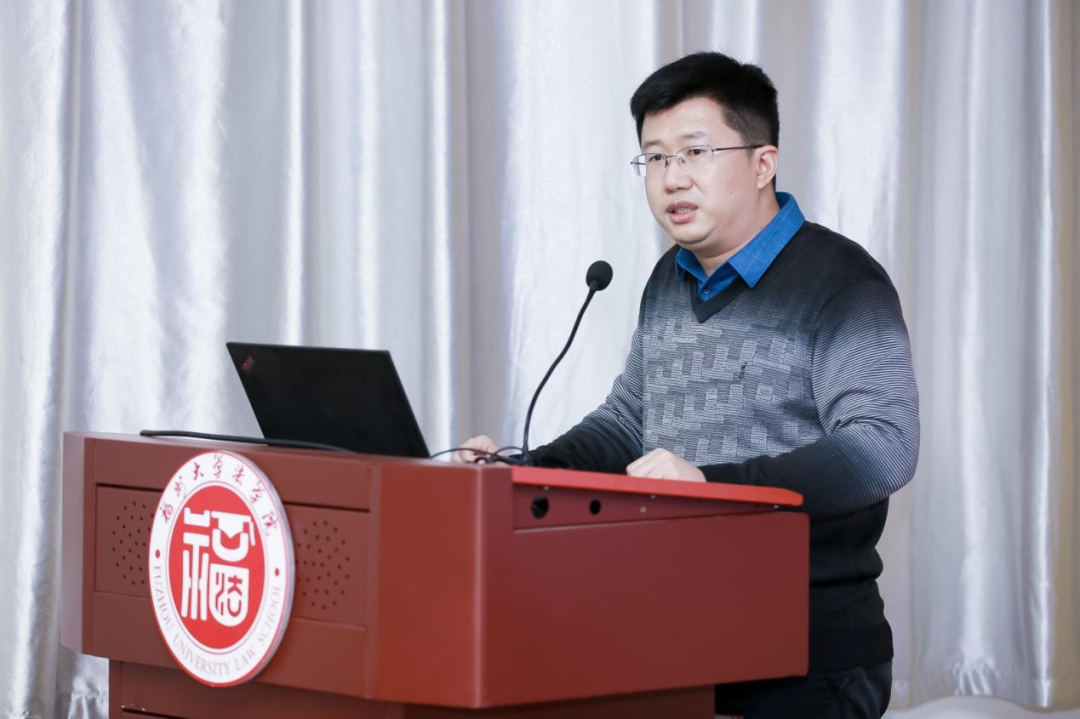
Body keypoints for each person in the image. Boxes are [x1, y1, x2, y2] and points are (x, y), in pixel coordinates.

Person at [453, 51, 919, 719]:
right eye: (655, 158)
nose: (673, 177)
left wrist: (711, 485)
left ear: (763, 163)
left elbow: (882, 446)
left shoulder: (842, 283)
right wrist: (518, 471)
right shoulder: (669, 279)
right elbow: (627, 422)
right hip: (680, 636)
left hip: (807, 653)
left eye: (696, 152)